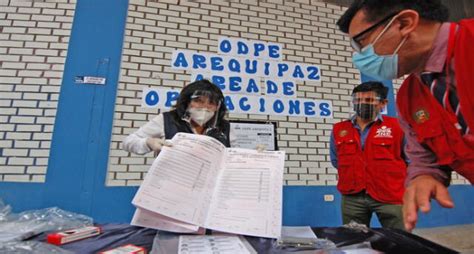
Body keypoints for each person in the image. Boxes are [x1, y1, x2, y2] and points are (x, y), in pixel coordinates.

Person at [336, 0, 474, 231]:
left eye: (362, 43)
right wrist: (424, 176)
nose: (359, 56)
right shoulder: (410, 98)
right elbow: (423, 158)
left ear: (404, 23)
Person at [330, 82, 407, 230]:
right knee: (354, 240)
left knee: (400, 239)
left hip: (390, 196)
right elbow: (336, 160)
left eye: (369, 100)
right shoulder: (339, 129)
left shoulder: (398, 127)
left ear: (383, 103)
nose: (362, 104)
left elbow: (410, 160)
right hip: (353, 197)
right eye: (358, 100)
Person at [123, 79, 230, 155]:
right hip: (171, 182)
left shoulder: (225, 127)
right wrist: (148, 142)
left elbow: (233, 153)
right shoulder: (167, 120)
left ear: (218, 107)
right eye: (198, 101)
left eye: (211, 103)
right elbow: (128, 142)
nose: (205, 107)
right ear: (187, 101)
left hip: (210, 184)